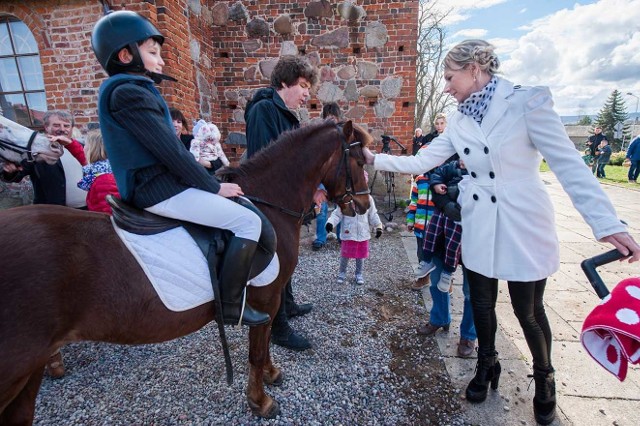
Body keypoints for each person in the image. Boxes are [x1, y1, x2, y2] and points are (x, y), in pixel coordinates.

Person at [362, 39, 640, 425]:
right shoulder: (458, 119)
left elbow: (568, 164)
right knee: (480, 302)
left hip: (522, 220)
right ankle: (485, 365)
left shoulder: (527, 102)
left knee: (528, 310)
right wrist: (374, 158)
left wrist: (607, 224)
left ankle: (545, 380)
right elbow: (424, 160)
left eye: (449, 77)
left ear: (474, 69)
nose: (445, 86)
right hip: (479, 223)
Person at [91, 10, 270, 327]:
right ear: (125, 54)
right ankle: (232, 307)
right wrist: (213, 186)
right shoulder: (128, 92)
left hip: (161, 183)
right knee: (246, 222)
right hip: (156, 189)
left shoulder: (130, 88)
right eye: (153, 53)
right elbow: (170, 151)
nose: (160, 62)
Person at [244, 55, 319, 350]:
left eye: (308, 89)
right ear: (285, 82)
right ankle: (279, 327)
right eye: (302, 86)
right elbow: (267, 159)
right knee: (276, 262)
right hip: (268, 201)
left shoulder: (285, 113)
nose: (306, 94)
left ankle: (287, 305)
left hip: (283, 199)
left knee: (287, 258)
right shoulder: (264, 110)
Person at [1, 110, 87, 208]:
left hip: (85, 210)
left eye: (66, 126)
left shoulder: (83, 147)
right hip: (50, 213)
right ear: (46, 127)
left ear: (72, 128)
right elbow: (17, 175)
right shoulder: (35, 150)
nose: (62, 129)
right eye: (56, 125)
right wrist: (10, 172)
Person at [411, 113, 449, 287]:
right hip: (420, 223)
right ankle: (423, 278)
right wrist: (411, 220)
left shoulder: (443, 181)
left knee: (441, 253)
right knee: (421, 252)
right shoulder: (420, 181)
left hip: (437, 225)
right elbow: (413, 201)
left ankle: (445, 280)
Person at [419, 158, 468, 292]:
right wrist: (436, 185)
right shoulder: (452, 165)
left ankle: (448, 273)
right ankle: (427, 261)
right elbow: (438, 174)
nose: (463, 161)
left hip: (468, 224)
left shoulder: (483, 170)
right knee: (430, 236)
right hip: (444, 211)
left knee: (472, 292)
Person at [325, 174, 382, 285]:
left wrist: (378, 226)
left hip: (363, 233)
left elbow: (373, 214)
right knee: (345, 255)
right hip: (348, 232)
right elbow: (337, 214)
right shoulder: (345, 198)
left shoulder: (368, 199)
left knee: (360, 256)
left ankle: (359, 274)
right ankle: (342, 273)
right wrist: (331, 223)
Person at [312, 102, 343, 251]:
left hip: (338, 178)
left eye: (334, 117)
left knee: (341, 207)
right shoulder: (320, 136)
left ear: (338, 118)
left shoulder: (343, 135)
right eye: (328, 117)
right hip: (323, 178)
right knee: (321, 208)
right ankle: (320, 237)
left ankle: (342, 236)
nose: (331, 120)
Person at [77, 129, 120, 214]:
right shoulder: (102, 170)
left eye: (86, 144)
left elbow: (110, 212)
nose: (83, 148)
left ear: (93, 148)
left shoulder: (104, 178)